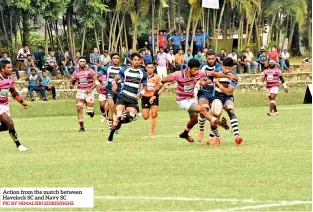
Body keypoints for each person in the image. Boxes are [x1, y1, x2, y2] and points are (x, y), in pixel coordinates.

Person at [150, 59, 229, 143]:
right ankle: (220, 124)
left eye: (197, 69)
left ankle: (185, 133)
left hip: (192, 98)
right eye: (194, 69)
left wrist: (228, 76)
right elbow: (163, 81)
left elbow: (213, 74)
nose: (196, 72)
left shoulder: (199, 73)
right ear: (189, 68)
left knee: (194, 121)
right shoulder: (178, 74)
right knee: (202, 109)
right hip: (182, 101)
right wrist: (154, 95)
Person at [105, 52, 147, 143]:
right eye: (135, 60)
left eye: (138, 60)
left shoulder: (142, 73)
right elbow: (115, 79)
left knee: (129, 118)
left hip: (133, 99)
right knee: (119, 116)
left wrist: (141, 93)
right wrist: (114, 84)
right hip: (123, 96)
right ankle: (110, 136)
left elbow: (145, 86)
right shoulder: (125, 70)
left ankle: (119, 123)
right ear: (131, 60)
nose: (137, 61)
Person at [212, 57, 243, 145]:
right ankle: (217, 137)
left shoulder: (234, 77)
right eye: (225, 68)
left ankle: (237, 136)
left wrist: (218, 83)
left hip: (227, 97)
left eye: (229, 68)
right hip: (216, 96)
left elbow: (228, 92)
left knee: (231, 110)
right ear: (222, 66)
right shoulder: (216, 71)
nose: (227, 70)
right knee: (215, 116)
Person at [0, 60, 29, 151]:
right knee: (10, 123)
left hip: (5, 105)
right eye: (8, 67)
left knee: (5, 127)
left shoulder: (10, 78)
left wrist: (21, 101)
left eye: (11, 67)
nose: (11, 69)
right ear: (2, 69)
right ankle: (19, 145)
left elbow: (13, 92)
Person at [197, 50, 223, 142]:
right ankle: (201, 131)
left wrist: (212, 81)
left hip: (216, 93)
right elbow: (199, 80)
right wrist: (204, 82)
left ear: (216, 57)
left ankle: (214, 137)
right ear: (206, 58)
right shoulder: (203, 66)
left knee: (215, 116)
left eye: (213, 58)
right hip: (204, 92)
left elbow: (219, 78)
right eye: (209, 59)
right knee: (203, 110)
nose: (211, 60)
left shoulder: (219, 67)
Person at [70, 57, 98, 132]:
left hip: (89, 92)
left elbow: (97, 82)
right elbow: (72, 82)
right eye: (80, 61)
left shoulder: (90, 71)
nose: (82, 62)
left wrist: (90, 89)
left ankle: (91, 111)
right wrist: (71, 85)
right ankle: (82, 127)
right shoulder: (76, 72)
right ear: (78, 63)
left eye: (83, 61)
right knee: (79, 108)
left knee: (89, 112)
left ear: (86, 63)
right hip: (80, 91)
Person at [99, 53, 122, 130]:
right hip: (109, 87)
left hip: (119, 88)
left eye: (117, 58)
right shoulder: (107, 68)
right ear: (111, 60)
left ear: (119, 59)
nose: (115, 59)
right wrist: (97, 83)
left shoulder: (122, 69)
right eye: (114, 58)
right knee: (110, 104)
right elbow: (97, 75)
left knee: (114, 107)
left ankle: (114, 124)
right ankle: (117, 120)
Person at [140, 62, 161, 136]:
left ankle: (152, 131)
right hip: (145, 97)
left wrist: (155, 95)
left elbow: (160, 87)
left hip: (153, 96)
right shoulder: (142, 76)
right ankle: (149, 111)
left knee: (154, 114)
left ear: (154, 68)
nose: (150, 69)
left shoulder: (157, 77)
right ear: (145, 68)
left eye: (152, 67)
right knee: (145, 117)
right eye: (149, 67)